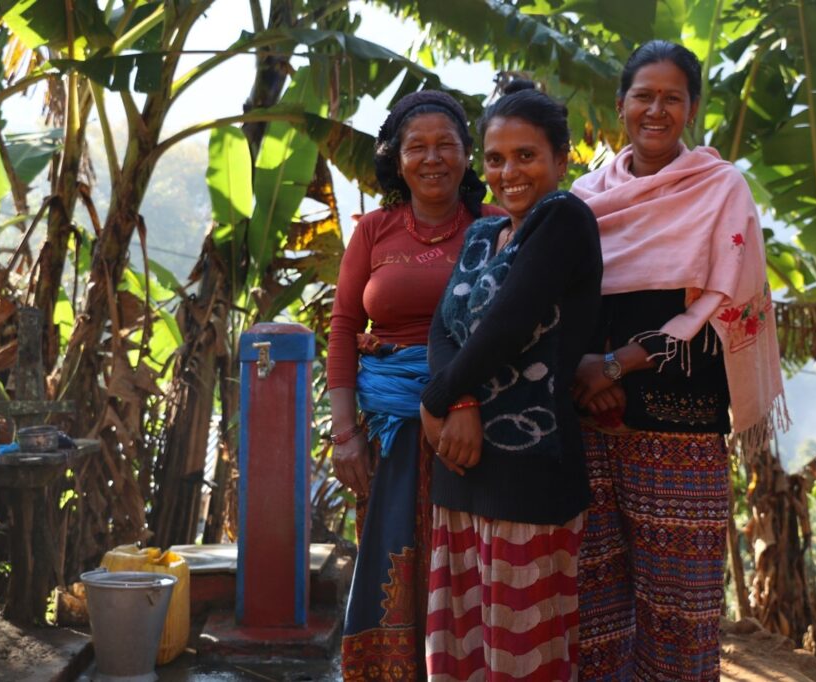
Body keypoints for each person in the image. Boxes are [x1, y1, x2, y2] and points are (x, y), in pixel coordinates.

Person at [569, 40, 787, 681]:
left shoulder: (720, 190)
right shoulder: (583, 197)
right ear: (621, 105)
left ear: (691, 109)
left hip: (678, 431)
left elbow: (725, 302)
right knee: (595, 608)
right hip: (588, 426)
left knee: (679, 615)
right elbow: (559, 299)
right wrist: (586, 367)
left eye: (672, 98)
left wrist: (615, 365)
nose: (656, 111)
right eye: (644, 96)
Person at [420, 80, 602, 681]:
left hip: (531, 481)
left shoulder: (565, 219)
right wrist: (459, 399)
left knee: (524, 662)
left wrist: (436, 399)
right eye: (496, 159)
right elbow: (443, 328)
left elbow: (508, 325)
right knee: (464, 656)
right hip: (463, 473)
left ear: (561, 158)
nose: (508, 172)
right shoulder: (479, 235)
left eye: (527, 156)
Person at [328, 90, 504, 681]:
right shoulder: (374, 230)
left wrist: (460, 397)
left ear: (466, 155)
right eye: (417, 147)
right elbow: (345, 327)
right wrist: (345, 433)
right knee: (389, 565)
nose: (433, 159)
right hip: (387, 431)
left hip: (477, 426)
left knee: (473, 572)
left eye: (446, 145)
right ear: (396, 159)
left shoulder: (495, 227)